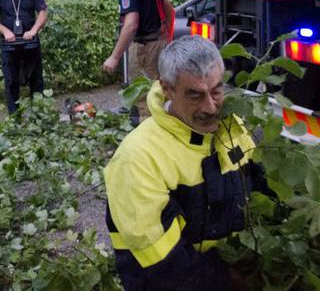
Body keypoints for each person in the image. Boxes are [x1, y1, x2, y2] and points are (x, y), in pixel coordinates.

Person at [103, 36, 266, 290]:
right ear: (167, 88)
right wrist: (232, 281)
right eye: (195, 95)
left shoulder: (232, 129)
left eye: (216, 91)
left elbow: (260, 194)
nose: (210, 107)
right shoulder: (138, 158)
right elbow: (168, 267)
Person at [102, 0, 173, 81]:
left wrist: (114, 57)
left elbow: (131, 25)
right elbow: (169, 9)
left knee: (142, 89)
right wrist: (166, 34)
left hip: (144, 49)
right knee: (161, 88)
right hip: (160, 45)